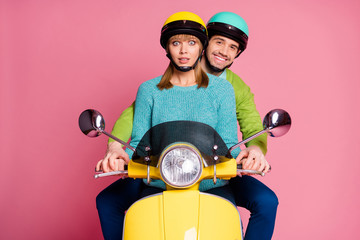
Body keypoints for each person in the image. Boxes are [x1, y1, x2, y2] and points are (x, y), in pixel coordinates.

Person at [97, 12, 278, 240]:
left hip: (210, 179)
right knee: (111, 203)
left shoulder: (227, 89)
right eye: (176, 43)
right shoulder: (149, 90)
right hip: (160, 178)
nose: (184, 51)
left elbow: (233, 139)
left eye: (191, 43)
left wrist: (252, 152)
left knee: (255, 207)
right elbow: (136, 134)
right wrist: (116, 151)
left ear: (199, 46)